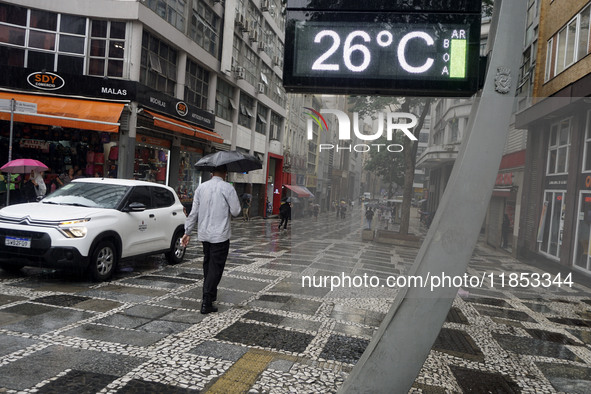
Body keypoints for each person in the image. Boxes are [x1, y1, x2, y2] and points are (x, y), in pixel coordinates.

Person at [181, 166, 241, 314]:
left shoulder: (201, 188)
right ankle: (207, 300)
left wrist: (187, 231)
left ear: (211, 172)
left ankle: (210, 295)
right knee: (216, 267)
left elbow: (193, 212)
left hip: (205, 234)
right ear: (225, 173)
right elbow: (236, 211)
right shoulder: (227, 188)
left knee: (208, 265)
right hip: (220, 235)